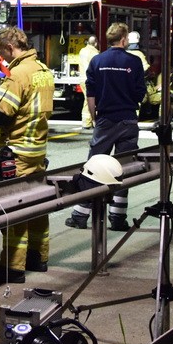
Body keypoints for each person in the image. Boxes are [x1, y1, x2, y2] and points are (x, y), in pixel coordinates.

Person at [0, 26, 55, 287]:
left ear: (10, 48)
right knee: (37, 208)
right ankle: (38, 257)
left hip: (17, 151)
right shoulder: (43, 71)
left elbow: (2, 114)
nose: (1, 57)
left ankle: (11, 268)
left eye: (1, 51)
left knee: (13, 211)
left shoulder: (17, 75)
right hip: (37, 151)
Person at [66, 22, 145, 231]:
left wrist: (94, 118)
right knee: (123, 168)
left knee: (93, 167)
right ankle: (118, 217)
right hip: (128, 120)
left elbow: (90, 94)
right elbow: (140, 94)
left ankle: (80, 214)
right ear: (124, 39)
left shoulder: (97, 61)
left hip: (105, 120)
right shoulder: (134, 62)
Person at [77, 35, 99, 129]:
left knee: (87, 99)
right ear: (96, 43)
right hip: (91, 79)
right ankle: (91, 122)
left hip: (82, 78)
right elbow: (97, 66)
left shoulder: (82, 50)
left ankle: (86, 122)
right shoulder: (94, 52)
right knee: (93, 100)